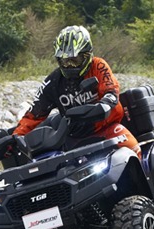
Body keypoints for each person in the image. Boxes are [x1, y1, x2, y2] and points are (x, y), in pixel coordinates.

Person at [13, 25, 140, 157]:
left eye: (75, 60)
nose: (69, 65)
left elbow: (111, 89)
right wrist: (17, 136)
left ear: (87, 55)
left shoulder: (98, 65)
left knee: (134, 152)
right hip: (74, 139)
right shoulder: (53, 81)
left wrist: (106, 103)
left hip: (107, 128)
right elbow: (34, 113)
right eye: (65, 61)